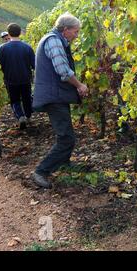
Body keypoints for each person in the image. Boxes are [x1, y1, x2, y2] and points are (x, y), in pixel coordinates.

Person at [31, 13, 88, 189]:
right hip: (53, 96)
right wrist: (80, 85)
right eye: (75, 32)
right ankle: (41, 171)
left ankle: (64, 163)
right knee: (66, 138)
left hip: (56, 95)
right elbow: (63, 70)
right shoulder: (54, 41)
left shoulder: (55, 39)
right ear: (65, 30)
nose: (76, 36)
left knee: (65, 133)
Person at [0, 23, 35, 129]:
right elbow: (34, 64)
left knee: (15, 100)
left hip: (10, 80)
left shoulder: (2, 49)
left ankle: (20, 116)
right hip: (26, 79)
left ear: (8, 34)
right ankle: (28, 116)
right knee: (27, 98)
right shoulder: (27, 47)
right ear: (20, 33)